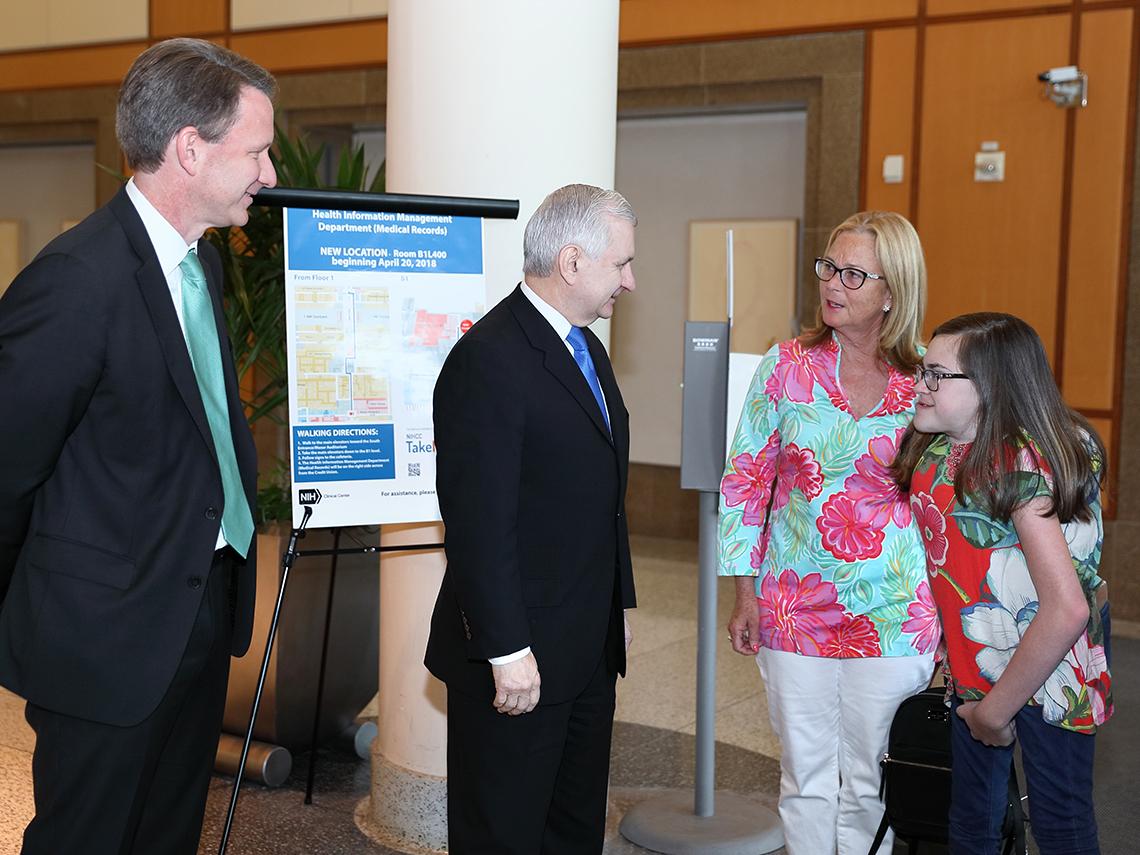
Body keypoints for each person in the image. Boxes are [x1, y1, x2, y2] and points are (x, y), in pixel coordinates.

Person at [0, 38, 276, 854]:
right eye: (256, 151)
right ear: (190, 148)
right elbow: (9, 471)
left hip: (195, 611)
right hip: (102, 640)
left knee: (164, 836)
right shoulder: (76, 281)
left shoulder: (203, 267)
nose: (267, 172)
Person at [425, 183, 638, 854]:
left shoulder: (587, 348)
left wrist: (614, 608)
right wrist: (506, 649)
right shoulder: (489, 359)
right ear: (573, 262)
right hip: (518, 661)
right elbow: (478, 521)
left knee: (572, 831)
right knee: (504, 834)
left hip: (584, 650)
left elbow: (598, 492)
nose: (630, 283)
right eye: (621, 264)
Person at [719, 211, 938, 854]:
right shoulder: (785, 366)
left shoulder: (927, 378)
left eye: (851, 274)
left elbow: (944, 503)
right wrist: (745, 591)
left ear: (892, 291)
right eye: (827, 267)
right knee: (807, 778)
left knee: (873, 782)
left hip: (895, 614)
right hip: (794, 606)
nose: (831, 284)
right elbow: (745, 483)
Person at [892, 312, 1111, 855]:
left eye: (938, 376)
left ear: (992, 387)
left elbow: (1066, 610)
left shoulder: (1023, 464)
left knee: (1060, 821)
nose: (920, 384)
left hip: (1049, 664)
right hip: (976, 661)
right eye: (924, 370)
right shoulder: (938, 453)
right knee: (970, 819)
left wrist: (994, 710)